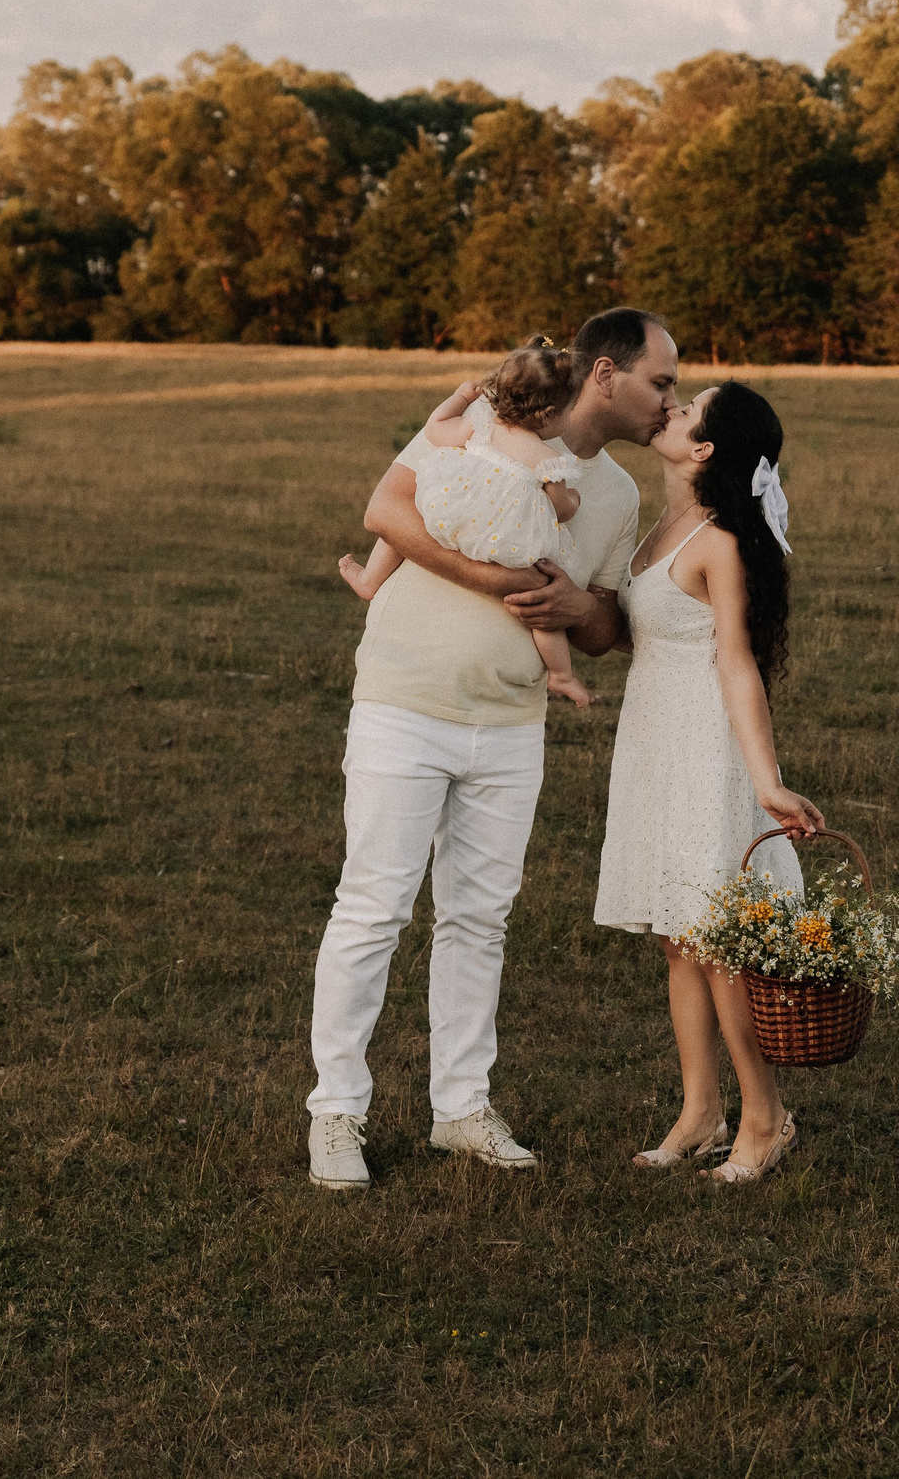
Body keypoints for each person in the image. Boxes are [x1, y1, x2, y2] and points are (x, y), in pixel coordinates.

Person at [305, 309, 682, 1190]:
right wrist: (498, 579)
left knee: (480, 921)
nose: (668, 400)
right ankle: (336, 1113)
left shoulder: (618, 495)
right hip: (406, 699)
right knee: (373, 910)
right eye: (659, 381)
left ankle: (462, 1107)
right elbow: (385, 509)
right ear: (603, 375)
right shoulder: (494, 411)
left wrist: (573, 611)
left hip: (513, 724)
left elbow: (603, 626)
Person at [593, 381, 822, 1185]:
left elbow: (736, 660)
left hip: (705, 748)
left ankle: (765, 1117)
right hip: (652, 740)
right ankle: (700, 1111)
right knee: (676, 934)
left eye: (690, 407)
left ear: (704, 451)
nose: (674, 405)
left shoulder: (719, 541)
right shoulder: (661, 525)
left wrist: (767, 782)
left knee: (719, 943)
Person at [339, 344, 593, 708]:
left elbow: (436, 429)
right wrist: (575, 500)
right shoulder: (549, 458)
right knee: (540, 604)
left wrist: (459, 397)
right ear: (550, 415)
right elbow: (561, 509)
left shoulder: (482, 424)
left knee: (409, 524)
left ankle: (369, 580)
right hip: (502, 536)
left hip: (456, 508)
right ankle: (562, 674)